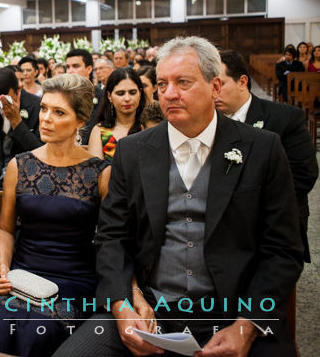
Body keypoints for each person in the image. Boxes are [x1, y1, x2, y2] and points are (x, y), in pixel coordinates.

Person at [54, 36, 304, 357]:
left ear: (215, 87)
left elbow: (283, 249)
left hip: (233, 309)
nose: (169, 94)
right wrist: (122, 303)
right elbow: (112, 237)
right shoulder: (134, 150)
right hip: (149, 306)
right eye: (162, 84)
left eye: (183, 82)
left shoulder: (262, 148)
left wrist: (247, 325)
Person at [0, 74, 110, 357]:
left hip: (74, 279)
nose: (46, 118)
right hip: (23, 273)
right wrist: (3, 267)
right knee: (0, 324)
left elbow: (113, 239)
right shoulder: (21, 165)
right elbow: (4, 228)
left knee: (38, 331)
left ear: (80, 121)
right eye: (44, 109)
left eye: (59, 112)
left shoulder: (100, 173)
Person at [217, 50, 318, 263]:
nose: (213, 93)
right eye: (208, 86)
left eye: (219, 85)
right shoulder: (208, 122)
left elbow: (303, 175)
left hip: (273, 222)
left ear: (242, 81)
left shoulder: (285, 118)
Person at [88, 68, 145, 162]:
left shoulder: (148, 127)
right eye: (120, 93)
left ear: (140, 93)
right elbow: (96, 171)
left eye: (132, 92)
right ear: (109, 96)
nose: (127, 98)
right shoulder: (100, 131)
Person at [65, 49, 102, 144]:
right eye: (68, 67)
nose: (70, 71)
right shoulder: (62, 97)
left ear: (89, 69)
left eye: (75, 66)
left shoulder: (102, 96)